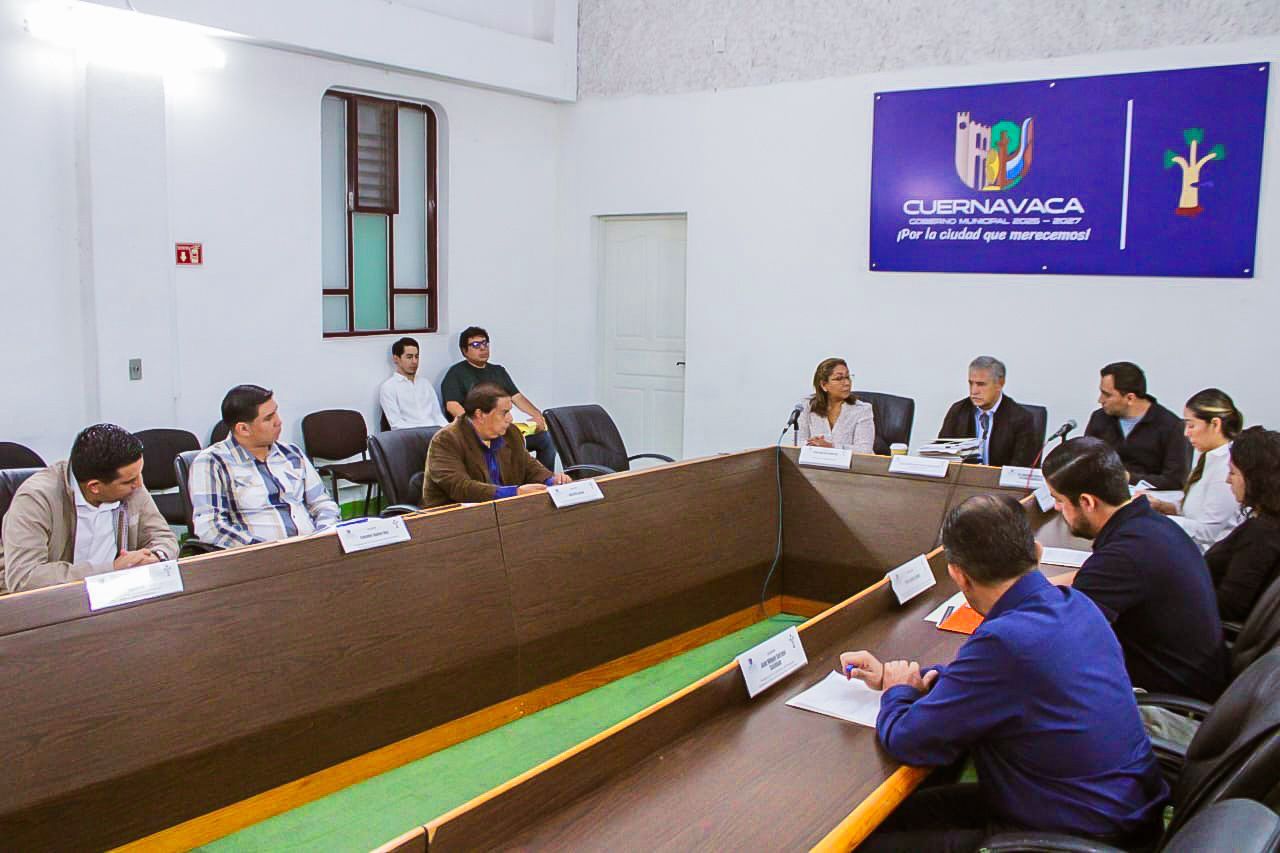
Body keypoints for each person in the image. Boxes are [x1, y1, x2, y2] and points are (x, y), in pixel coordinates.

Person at [847, 494, 1167, 853]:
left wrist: (897, 692)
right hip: (1110, 808)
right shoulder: (1074, 603)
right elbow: (995, 680)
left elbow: (908, 740)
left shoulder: (1005, 642)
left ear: (958, 575)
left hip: (1072, 833)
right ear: (1037, 552)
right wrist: (911, 678)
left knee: (864, 846)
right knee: (900, 816)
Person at [1042, 437, 1227, 702]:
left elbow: (1058, 634)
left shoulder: (1126, 554)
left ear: (1087, 502)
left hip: (1164, 704)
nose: (1057, 508)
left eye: (1058, 500)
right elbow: (1087, 579)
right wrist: (1031, 585)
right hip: (1190, 680)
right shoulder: (1147, 526)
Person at [1, 424, 178, 594]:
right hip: (51, 602)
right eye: (130, 480)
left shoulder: (131, 486)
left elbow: (163, 537)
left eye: (139, 474)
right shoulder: (36, 499)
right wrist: (112, 570)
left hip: (117, 594)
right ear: (94, 486)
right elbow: (25, 578)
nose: (139, 484)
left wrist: (156, 556)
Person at [189, 385, 341, 549]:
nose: (278, 422)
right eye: (268, 418)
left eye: (276, 412)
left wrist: (323, 537)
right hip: (258, 556)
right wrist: (265, 550)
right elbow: (211, 527)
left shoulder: (291, 453)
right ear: (243, 429)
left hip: (313, 549)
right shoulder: (212, 462)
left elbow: (322, 503)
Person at [423, 383, 571, 507]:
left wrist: (552, 480)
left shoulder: (511, 433)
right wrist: (514, 493)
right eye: (504, 412)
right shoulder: (446, 439)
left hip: (502, 512)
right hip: (452, 519)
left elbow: (528, 466)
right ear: (480, 414)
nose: (510, 418)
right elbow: (459, 487)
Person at [440, 326, 557, 471]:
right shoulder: (456, 373)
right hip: (483, 431)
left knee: (546, 439)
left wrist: (537, 416)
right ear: (464, 351)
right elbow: (452, 406)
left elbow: (517, 397)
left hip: (508, 426)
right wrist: (477, 426)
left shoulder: (498, 371)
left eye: (485, 343)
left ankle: (545, 481)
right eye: (476, 345)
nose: (483, 348)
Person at [1144, 388, 1243, 551]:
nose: (1186, 433)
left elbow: (1207, 531)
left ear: (1215, 424)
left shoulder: (1226, 467)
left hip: (1208, 555)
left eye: (1191, 425)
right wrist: (1161, 506)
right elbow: (1196, 509)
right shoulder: (1209, 458)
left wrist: (1153, 519)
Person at [1206, 426, 1280, 623]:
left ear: (1255, 479)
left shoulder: (1262, 534)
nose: (1227, 480)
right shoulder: (1268, 524)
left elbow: (1229, 607)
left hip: (1209, 629)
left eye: (1232, 473)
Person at [1084, 361, 1190, 490]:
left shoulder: (1171, 427)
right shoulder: (1099, 418)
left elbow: (1175, 480)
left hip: (1148, 497)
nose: (1100, 400)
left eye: (1107, 395)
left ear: (1130, 398)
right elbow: (1085, 460)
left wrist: (1128, 478)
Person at [936, 356, 1039, 467]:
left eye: (981, 384)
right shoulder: (958, 411)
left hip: (1000, 478)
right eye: (971, 383)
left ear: (1000, 383)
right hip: (963, 477)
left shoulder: (1020, 419)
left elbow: (1021, 467)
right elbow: (941, 456)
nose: (974, 391)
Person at [796, 358, 875, 453]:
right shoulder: (807, 406)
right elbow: (797, 443)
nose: (847, 383)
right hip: (816, 460)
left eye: (847, 377)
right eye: (839, 378)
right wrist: (812, 444)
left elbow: (864, 450)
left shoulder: (862, 409)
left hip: (852, 462)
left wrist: (831, 447)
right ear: (823, 385)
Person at [379, 336, 448, 430]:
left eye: (416, 356)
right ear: (396, 359)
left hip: (434, 433)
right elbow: (396, 425)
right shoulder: (389, 387)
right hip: (410, 435)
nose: (414, 361)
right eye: (409, 357)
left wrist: (449, 430)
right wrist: (423, 431)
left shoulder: (425, 383)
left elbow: (437, 415)